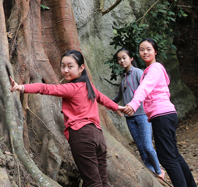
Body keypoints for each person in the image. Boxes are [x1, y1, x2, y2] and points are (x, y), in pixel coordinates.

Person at [10, 50, 123, 187]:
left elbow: (44, 88)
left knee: (92, 182)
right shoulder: (88, 86)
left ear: (81, 68)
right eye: (63, 66)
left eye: (70, 66)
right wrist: (117, 107)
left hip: (82, 135)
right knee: (102, 180)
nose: (65, 70)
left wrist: (21, 87)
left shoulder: (71, 88)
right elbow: (102, 98)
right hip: (98, 136)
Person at [120, 38, 197, 187]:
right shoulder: (152, 70)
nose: (145, 52)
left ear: (155, 51)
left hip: (162, 116)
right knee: (173, 155)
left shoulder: (154, 69)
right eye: (142, 49)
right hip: (166, 114)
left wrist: (134, 104)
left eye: (148, 49)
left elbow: (145, 87)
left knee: (167, 158)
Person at [112, 48, 164, 180]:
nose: (122, 61)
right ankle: (151, 173)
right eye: (119, 59)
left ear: (131, 58)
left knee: (147, 146)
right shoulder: (123, 78)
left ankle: (159, 171)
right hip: (129, 118)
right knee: (141, 148)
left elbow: (146, 88)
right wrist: (108, 103)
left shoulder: (138, 73)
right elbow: (119, 95)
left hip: (142, 114)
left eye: (124, 57)